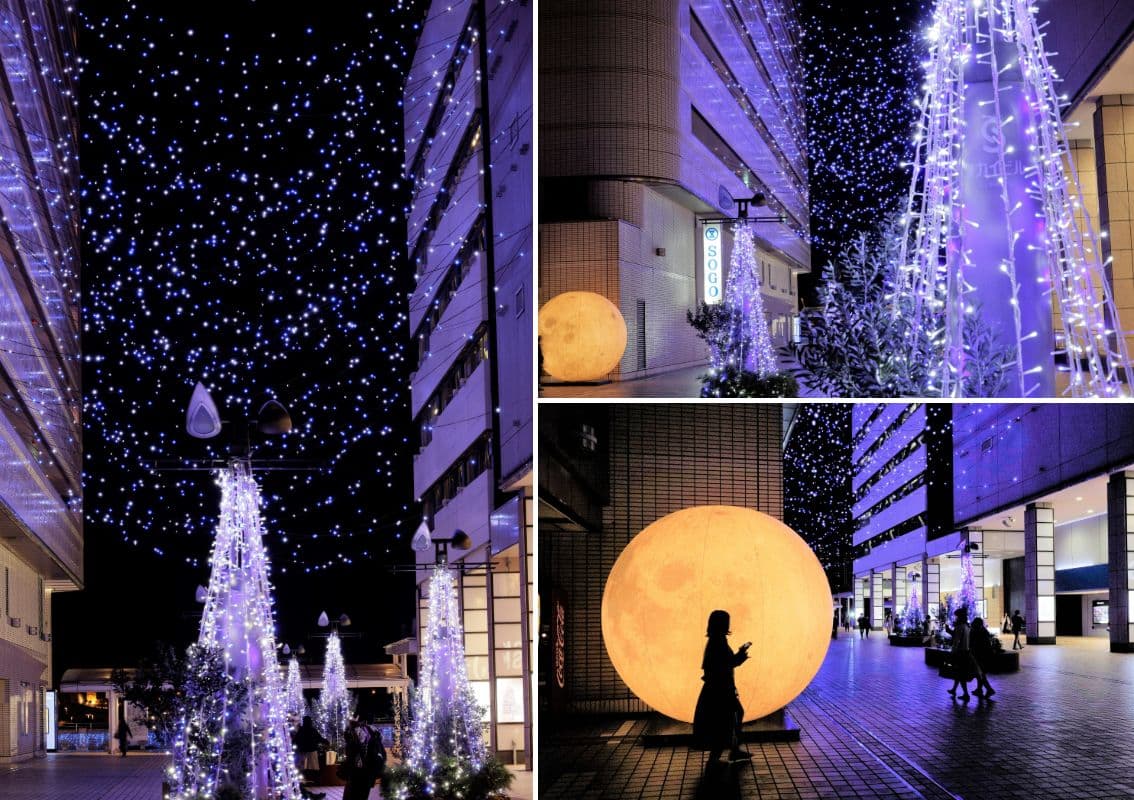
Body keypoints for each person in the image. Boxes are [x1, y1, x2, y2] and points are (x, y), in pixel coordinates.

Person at [692, 610, 752, 767]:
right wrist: (740, 655)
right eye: (726, 621)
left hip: (718, 688)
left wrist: (739, 655)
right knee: (725, 719)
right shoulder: (717, 642)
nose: (728, 624)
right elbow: (724, 664)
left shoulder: (716, 640)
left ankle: (730, 751)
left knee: (726, 719)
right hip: (720, 689)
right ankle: (722, 755)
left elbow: (723, 663)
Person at [341, 715, 386, 800]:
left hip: (363, 767)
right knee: (358, 792)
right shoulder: (370, 730)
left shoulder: (370, 730)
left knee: (357, 792)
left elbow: (352, 746)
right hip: (363, 768)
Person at [294, 715, 328, 796]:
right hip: (310, 753)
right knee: (309, 771)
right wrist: (326, 742)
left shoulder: (301, 730)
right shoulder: (312, 730)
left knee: (302, 771)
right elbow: (319, 738)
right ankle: (306, 787)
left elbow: (295, 740)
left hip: (301, 753)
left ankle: (304, 787)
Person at [947, 609, 974, 700]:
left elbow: (956, 640)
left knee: (960, 673)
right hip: (965, 652)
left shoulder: (959, 627)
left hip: (959, 653)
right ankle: (954, 689)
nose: (956, 618)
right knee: (959, 673)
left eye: (957, 616)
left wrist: (952, 652)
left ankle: (966, 694)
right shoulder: (966, 626)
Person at [969, 617, 996, 698]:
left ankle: (989, 689)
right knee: (980, 673)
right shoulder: (983, 631)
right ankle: (979, 689)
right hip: (984, 655)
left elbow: (972, 642)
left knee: (980, 673)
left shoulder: (976, 631)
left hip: (979, 655)